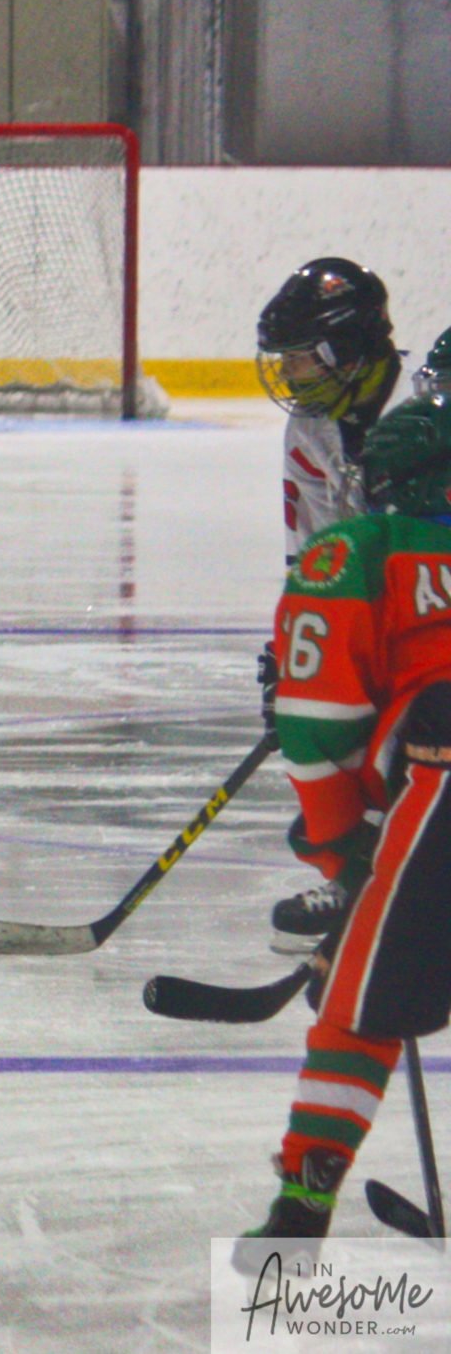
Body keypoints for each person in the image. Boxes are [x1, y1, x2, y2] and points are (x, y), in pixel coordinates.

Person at [242, 392, 451, 1238]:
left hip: (440, 787)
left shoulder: (354, 553)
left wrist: (344, 851)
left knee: (360, 1005)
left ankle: (301, 1211)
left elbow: (316, 723)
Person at [254, 258, 402, 953]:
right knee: (311, 711)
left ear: (346, 349)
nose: (289, 376)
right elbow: (314, 558)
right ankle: (357, 875)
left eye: (301, 358)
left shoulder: (426, 412)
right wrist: (290, 649)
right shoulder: (309, 434)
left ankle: (404, 868)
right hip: (380, 610)